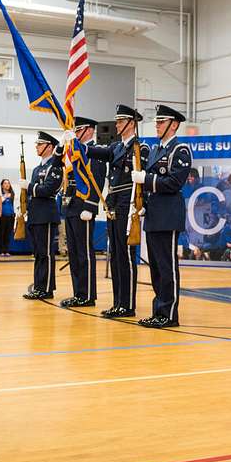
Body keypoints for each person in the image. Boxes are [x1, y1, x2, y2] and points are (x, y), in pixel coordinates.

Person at [131, 105, 192, 328]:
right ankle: (159, 311)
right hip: (154, 214)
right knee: (156, 267)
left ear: (173, 124)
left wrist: (145, 179)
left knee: (167, 267)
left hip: (168, 215)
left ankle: (169, 314)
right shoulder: (157, 150)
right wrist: (144, 203)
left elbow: (174, 182)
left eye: (161, 121)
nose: (157, 125)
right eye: (156, 122)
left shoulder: (180, 150)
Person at [87, 104, 148, 317]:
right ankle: (118, 302)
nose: (117, 124)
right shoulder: (117, 147)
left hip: (127, 205)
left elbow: (140, 184)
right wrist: (79, 146)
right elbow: (97, 152)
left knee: (126, 256)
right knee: (115, 256)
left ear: (132, 123)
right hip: (113, 204)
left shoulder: (141, 148)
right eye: (117, 121)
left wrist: (139, 207)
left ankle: (128, 304)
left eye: (121, 121)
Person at [61, 116, 106, 308]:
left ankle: (87, 295)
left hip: (84, 207)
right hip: (71, 206)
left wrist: (90, 206)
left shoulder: (95, 152)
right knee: (74, 253)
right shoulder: (73, 151)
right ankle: (78, 293)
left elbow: (97, 180)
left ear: (89, 130)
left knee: (84, 253)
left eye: (79, 130)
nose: (76, 134)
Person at [19, 132, 63, 299]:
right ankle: (38, 286)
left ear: (49, 147)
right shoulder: (38, 168)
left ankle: (46, 288)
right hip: (35, 215)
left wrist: (30, 186)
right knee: (38, 253)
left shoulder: (55, 166)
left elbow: (48, 190)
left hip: (46, 215)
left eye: (40, 144)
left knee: (46, 253)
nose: (37, 147)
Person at [0, 178, 16, 256]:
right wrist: (4, 197)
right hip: (2, 216)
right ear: (2, 185)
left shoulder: (12, 194)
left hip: (10, 216)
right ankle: (0, 250)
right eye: (5, 183)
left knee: (8, 234)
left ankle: (6, 250)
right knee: (1, 233)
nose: (7, 185)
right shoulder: (0, 195)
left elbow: (12, 205)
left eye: (8, 183)